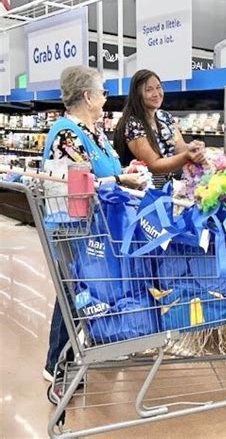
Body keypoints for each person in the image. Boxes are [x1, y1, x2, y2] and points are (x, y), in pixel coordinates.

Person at [42, 65, 147, 382]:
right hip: (73, 228)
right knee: (75, 291)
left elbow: (104, 172)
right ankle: (57, 365)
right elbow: (70, 186)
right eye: (103, 92)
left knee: (86, 289)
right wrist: (119, 178)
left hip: (98, 226)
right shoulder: (66, 133)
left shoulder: (93, 131)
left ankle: (85, 351)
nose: (105, 98)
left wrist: (128, 173)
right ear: (88, 97)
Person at [114, 69, 205, 189]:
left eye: (158, 87)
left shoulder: (165, 117)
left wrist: (193, 149)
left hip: (167, 188)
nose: (156, 93)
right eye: (149, 90)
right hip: (142, 193)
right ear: (138, 94)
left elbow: (180, 148)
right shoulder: (133, 123)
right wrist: (186, 156)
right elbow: (153, 165)